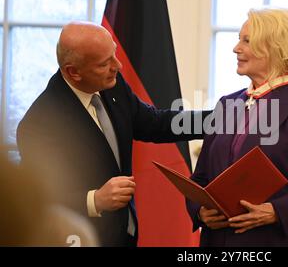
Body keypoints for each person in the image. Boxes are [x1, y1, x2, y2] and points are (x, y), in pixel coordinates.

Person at [17, 22, 206, 247]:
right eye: (105, 63)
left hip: (125, 235)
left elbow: (156, 123)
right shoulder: (38, 124)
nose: (118, 66)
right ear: (73, 72)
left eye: (114, 54)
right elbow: (43, 197)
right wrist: (94, 200)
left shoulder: (112, 85)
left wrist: (223, 118)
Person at [186, 8, 288, 246]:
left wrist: (276, 211)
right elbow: (201, 177)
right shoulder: (228, 103)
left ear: (276, 48)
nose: (236, 48)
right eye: (239, 39)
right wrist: (200, 212)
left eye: (247, 41)